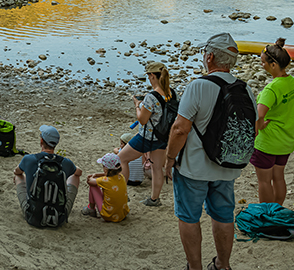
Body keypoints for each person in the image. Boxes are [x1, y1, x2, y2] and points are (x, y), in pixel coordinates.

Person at [164, 33, 257, 270]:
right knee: (223, 216)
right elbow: (251, 129)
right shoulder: (247, 90)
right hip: (227, 166)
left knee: (188, 217)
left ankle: (194, 267)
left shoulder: (198, 86)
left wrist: (169, 159)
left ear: (210, 56)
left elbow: (179, 129)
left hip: (194, 168)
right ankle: (222, 265)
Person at [252, 38, 294, 205]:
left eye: (263, 62)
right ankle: (278, 209)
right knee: (279, 178)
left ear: (273, 64)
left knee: (264, 181)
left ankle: (266, 214)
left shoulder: (271, 89)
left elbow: (259, 115)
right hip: (286, 141)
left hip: (268, 142)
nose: (261, 65)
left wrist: (257, 128)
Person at [118, 61, 173, 206]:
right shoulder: (171, 93)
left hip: (147, 137)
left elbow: (142, 120)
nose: (148, 78)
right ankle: (154, 199)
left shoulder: (151, 97)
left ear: (153, 76)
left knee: (121, 159)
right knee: (156, 168)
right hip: (163, 136)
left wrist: (137, 106)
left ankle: (123, 195)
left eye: (149, 75)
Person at [13, 125, 82, 227]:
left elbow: (17, 171)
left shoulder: (29, 159)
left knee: (19, 176)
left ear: (41, 141)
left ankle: (31, 204)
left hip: (33, 217)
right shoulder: (65, 162)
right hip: (58, 218)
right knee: (74, 176)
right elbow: (79, 172)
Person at [83, 152, 130, 222]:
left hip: (108, 215)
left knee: (93, 186)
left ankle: (91, 209)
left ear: (106, 169)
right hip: (123, 214)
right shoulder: (122, 177)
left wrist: (92, 176)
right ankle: (91, 208)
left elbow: (90, 181)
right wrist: (96, 174)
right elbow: (107, 176)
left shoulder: (104, 181)